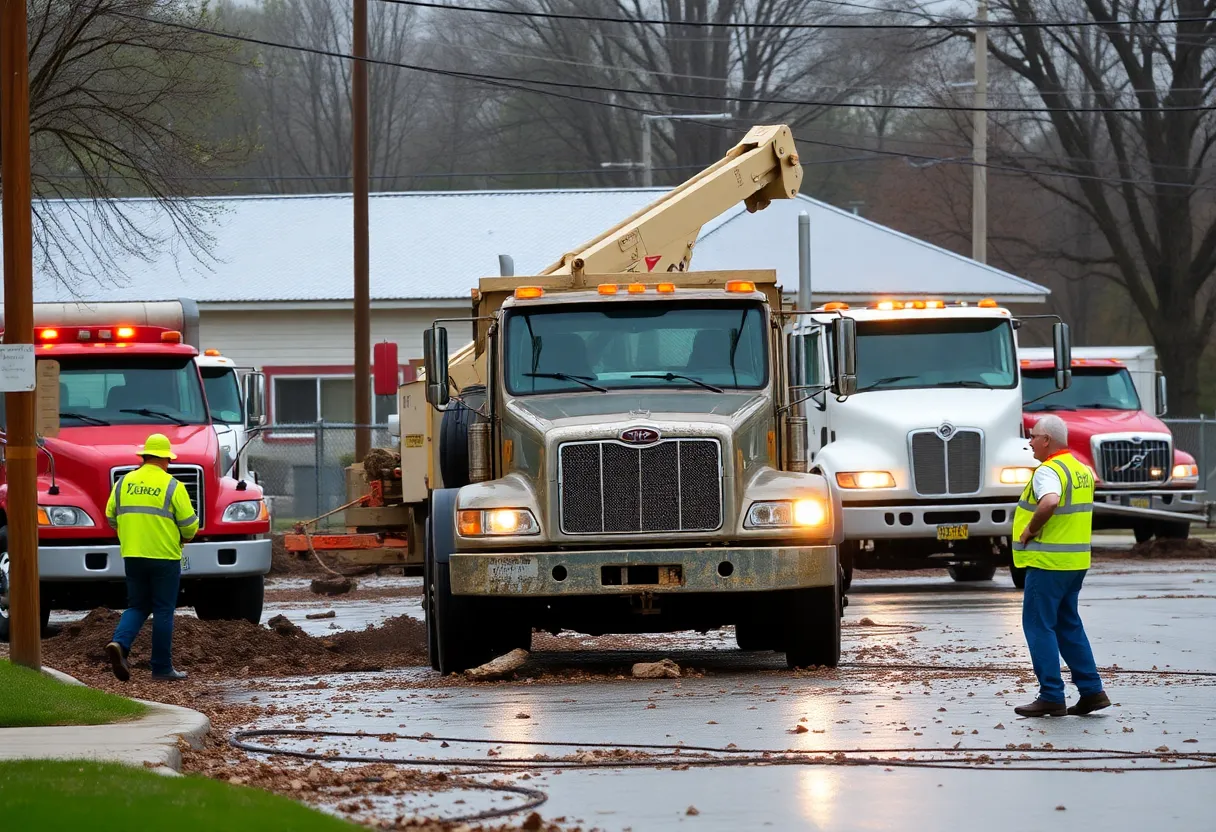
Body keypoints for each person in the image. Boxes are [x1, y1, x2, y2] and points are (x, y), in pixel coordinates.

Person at [1011, 414, 1110, 717]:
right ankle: (1092, 692)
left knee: (1039, 626)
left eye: (1033, 437)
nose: (1029, 442)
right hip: (1075, 562)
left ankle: (1051, 695)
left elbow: (1050, 502)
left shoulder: (1048, 471)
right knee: (1068, 625)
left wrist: (1031, 529)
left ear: (1046, 440)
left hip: (1048, 562)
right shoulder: (1080, 469)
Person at [104, 433, 199, 682]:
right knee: (163, 610)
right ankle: (161, 668)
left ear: (144, 456)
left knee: (137, 605)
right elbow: (190, 525)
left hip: (133, 554)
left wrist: (130, 533)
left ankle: (120, 644)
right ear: (166, 459)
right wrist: (183, 538)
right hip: (164, 556)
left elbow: (110, 515)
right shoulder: (172, 485)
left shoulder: (123, 483)